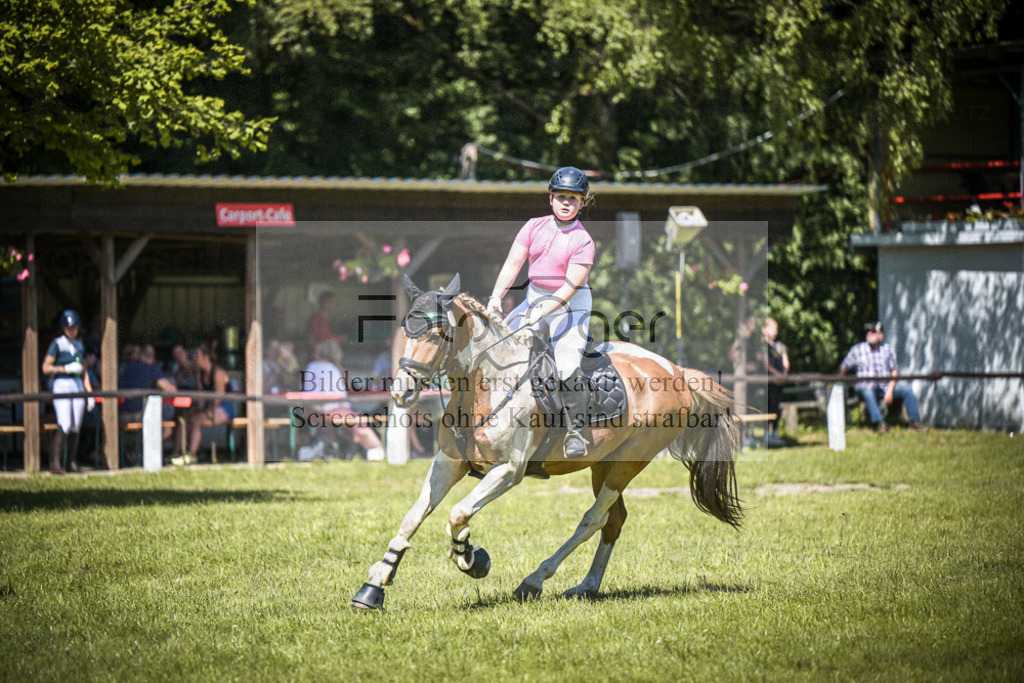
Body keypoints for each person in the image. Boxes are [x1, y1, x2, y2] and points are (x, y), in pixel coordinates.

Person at [488, 166, 595, 458]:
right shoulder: (533, 226)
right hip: (535, 297)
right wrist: (496, 297)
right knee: (499, 347)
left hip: (570, 305)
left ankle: (575, 432)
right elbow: (513, 265)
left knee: (566, 366)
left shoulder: (583, 240)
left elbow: (570, 287)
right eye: (561, 197)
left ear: (581, 203)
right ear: (551, 198)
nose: (566, 203)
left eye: (573, 198)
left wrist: (542, 312)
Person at [297, 340, 385, 462]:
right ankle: (375, 448)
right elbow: (342, 395)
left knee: (346, 420)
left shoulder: (311, 366)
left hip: (311, 410)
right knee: (356, 419)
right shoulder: (332, 369)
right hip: (329, 410)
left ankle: (339, 450)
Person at [840, 322, 928, 434]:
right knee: (867, 391)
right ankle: (880, 423)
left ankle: (915, 422)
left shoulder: (887, 350)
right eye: (868, 331)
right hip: (864, 387)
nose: (869, 334)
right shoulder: (857, 349)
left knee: (906, 388)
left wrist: (889, 391)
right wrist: (839, 381)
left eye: (873, 331)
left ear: (881, 335)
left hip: (884, 387)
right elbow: (844, 367)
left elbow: (894, 371)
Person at [40, 309, 94, 474]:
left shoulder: (79, 345)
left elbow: (84, 370)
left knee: (76, 425)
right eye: (69, 327)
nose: (72, 330)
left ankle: (71, 462)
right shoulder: (57, 344)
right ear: (64, 328)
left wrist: (89, 392)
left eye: (74, 327)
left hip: (77, 384)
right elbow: (45, 367)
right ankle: (56, 463)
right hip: (62, 383)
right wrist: (64, 368)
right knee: (64, 423)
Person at [184, 343, 236, 462]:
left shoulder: (218, 372)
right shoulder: (200, 373)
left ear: (206, 357)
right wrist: (199, 409)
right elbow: (201, 397)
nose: (194, 358)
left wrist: (206, 410)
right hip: (211, 406)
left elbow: (219, 398)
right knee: (188, 417)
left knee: (196, 420)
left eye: (197, 355)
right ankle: (190, 451)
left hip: (225, 407)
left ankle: (192, 454)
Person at [119, 344, 178, 439]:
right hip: (140, 415)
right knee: (167, 428)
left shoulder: (126, 369)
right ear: (153, 359)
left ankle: (140, 446)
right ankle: (151, 446)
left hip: (122, 416)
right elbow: (172, 390)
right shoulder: (150, 368)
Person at [757, 317, 790, 446]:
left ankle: (775, 432)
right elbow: (767, 365)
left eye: (776, 328)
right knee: (768, 406)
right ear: (764, 329)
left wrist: (783, 376)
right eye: (772, 328)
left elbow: (786, 362)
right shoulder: (763, 346)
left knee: (776, 406)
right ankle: (766, 434)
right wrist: (777, 375)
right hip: (769, 383)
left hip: (779, 382)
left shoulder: (780, 345)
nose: (775, 331)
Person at [306, 291, 344, 356]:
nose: (335, 305)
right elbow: (322, 339)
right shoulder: (318, 319)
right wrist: (339, 338)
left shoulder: (325, 318)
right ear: (325, 303)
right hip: (318, 357)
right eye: (333, 302)